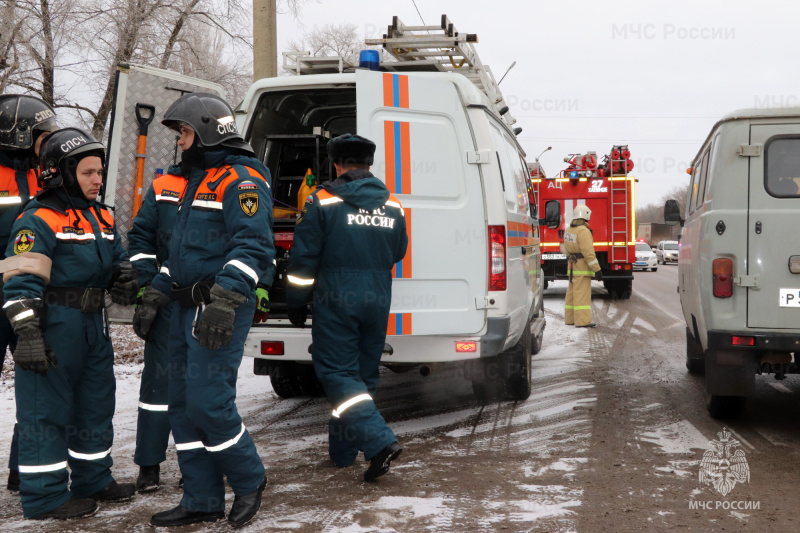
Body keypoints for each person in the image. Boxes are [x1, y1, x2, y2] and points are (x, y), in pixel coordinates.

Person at [133, 93, 275, 528]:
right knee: (181, 405)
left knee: (209, 404)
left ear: (209, 131)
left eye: (185, 133)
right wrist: (155, 291)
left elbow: (253, 246)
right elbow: (181, 253)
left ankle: (250, 480)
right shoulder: (194, 181)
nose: (180, 142)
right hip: (181, 308)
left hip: (218, 308)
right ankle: (202, 498)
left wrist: (227, 300)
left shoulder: (243, 180)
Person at [3, 128, 139, 519]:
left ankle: (93, 478)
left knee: (95, 404)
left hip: (93, 324)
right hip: (55, 325)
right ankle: (44, 496)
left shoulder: (101, 215)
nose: (98, 180)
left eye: (99, 172)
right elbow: (21, 281)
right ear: (60, 173)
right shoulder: (38, 219)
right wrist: (27, 332)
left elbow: (118, 257)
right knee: (46, 410)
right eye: (89, 173)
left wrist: (124, 276)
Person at [285, 133, 408, 482]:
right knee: (362, 377)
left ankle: (379, 442)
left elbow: (304, 258)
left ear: (336, 165)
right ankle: (342, 454)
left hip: (337, 296)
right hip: (377, 296)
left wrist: (295, 302)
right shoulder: (393, 204)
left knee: (337, 373)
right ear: (369, 164)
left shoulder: (321, 200)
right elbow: (399, 250)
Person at [0, 94, 57, 492]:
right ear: (20, 135)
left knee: (36, 384)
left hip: (33, 296)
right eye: (41, 132)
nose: (48, 138)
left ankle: (26, 470)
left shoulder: (49, 174)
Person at [127, 162, 185, 492]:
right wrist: (146, 289)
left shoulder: (223, 182)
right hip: (165, 300)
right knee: (156, 386)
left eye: (187, 133)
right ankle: (149, 465)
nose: (183, 141)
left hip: (204, 298)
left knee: (202, 388)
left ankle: (198, 464)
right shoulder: (165, 184)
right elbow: (141, 237)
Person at [563, 204, 602, 328]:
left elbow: (567, 250)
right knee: (581, 296)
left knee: (571, 295)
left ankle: (570, 319)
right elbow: (588, 253)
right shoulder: (583, 231)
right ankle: (582, 321)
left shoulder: (568, 230)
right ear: (586, 216)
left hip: (572, 268)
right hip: (582, 269)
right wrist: (597, 269)